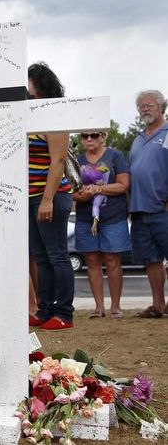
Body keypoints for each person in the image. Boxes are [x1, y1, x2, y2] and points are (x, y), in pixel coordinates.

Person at [26, 62, 75, 331]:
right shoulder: (29, 117)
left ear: (40, 85)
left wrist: (46, 200)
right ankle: (45, 310)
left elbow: (57, 162)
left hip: (50, 196)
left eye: (29, 84)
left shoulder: (54, 117)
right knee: (41, 257)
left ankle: (64, 313)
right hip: (30, 196)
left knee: (57, 255)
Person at [72, 131, 130, 319]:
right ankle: (99, 307)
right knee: (91, 261)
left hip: (113, 217)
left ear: (103, 136)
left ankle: (115, 306)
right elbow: (72, 190)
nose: (89, 139)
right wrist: (82, 195)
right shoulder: (77, 159)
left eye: (94, 135)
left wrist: (99, 188)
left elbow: (123, 185)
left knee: (113, 261)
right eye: (84, 135)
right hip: (85, 218)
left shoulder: (115, 156)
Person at [127, 90, 168, 318]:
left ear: (162, 107)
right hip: (139, 209)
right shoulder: (137, 139)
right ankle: (157, 305)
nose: (144, 109)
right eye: (141, 106)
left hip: (163, 208)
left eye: (149, 105)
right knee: (151, 260)